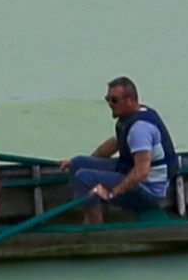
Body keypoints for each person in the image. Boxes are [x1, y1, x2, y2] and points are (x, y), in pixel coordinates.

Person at [66, 77, 173, 220]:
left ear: (129, 100)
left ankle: (94, 226)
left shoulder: (139, 130)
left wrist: (111, 193)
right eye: (107, 99)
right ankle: (89, 205)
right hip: (130, 170)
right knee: (77, 163)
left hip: (149, 191)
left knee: (83, 177)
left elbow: (142, 172)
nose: (110, 104)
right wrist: (87, 162)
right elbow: (116, 143)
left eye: (114, 100)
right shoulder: (131, 116)